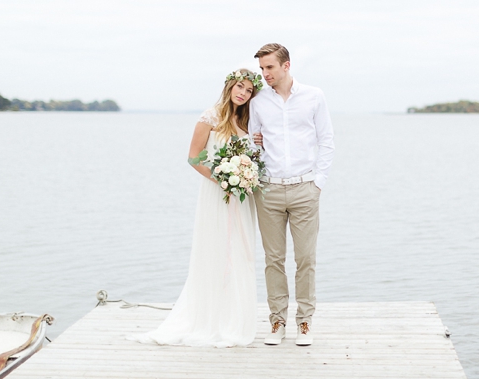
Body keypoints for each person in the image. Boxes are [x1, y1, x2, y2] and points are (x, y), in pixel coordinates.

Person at [130, 69, 262, 347]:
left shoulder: (247, 119)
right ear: (229, 86)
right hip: (218, 193)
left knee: (240, 253)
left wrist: (247, 173)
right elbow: (194, 158)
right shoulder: (210, 116)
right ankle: (210, 319)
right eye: (240, 86)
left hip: (242, 197)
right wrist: (223, 178)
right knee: (215, 251)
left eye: (249, 90)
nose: (243, 93)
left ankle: (235, 319)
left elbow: (253, 154)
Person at [248, 43, 335, 346]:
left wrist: (318, 183)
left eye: (269, 67)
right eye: (261, 68)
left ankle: (305, 322)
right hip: (269, 190)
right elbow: (252, 145)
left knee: (305, 259)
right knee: (273, 260)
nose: (264, 74)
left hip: (304, 189)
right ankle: (277, 321)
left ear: (286, 66)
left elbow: (326, 141)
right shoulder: (258, 102)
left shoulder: (314, 96)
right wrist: (254, 143)